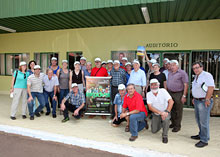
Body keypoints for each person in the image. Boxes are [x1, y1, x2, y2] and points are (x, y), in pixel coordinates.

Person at [191, 62, 215, 148]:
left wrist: (207, 99)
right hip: (197, 101)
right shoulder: (196, 76)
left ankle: (204, 140)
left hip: (204, 101)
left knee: (204, 121)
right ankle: (201, 134)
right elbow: (196, 88)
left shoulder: (207, 75)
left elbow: (211, 87)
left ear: (202, 67)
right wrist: (194, 97)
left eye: (197, 67)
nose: (195, 69)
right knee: (198, 120)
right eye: (194, 68)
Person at [147, 79, 174, 143]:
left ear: (158, 85)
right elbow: (150, 107)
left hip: (165, 111)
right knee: (154, 131)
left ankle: (165, 135)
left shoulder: (163, 91)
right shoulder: (148, 94)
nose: (154, 86)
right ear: (150, 86)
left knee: (166, 119)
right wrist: (160, 113)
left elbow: (171, 101)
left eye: (155, 84)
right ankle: (162, 123)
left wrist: (167, 112)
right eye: (152, 85)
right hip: (156, 113)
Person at [167, 60, 188, 132]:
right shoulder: (169, 73)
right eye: (171, 65)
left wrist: (184, 96)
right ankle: (173, 123)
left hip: (178, 93)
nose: (172, 67)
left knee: (178, 110)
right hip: (170, 93)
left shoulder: (182, 73)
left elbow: (186, 85)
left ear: (177, 66)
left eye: (173, 65)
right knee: (171, 109)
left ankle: (177, 126)